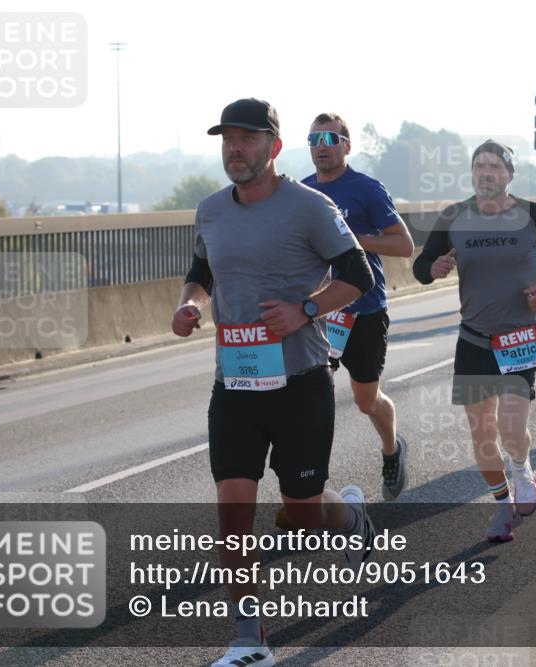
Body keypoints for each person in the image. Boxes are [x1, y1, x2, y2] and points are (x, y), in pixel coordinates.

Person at [171, 98, 378, 667]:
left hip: (300, 382)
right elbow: (201, 272)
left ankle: (352, 515)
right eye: (227, 140)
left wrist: (304, 310)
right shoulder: (210, 210)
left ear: (274, 147)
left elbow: (357, 275)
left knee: (304, 512)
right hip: (233, 385)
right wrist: (189, 305)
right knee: (233, 514)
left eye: (247, 139)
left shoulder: (309, 206)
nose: (235, 149)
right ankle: (249, 640)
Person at [412, 140, 536, 542]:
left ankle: (521, 465)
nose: (486, 172)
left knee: (511, 429)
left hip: (519, 338)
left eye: (494, 166)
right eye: (479, 165)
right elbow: (419, 267)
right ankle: (502, 505)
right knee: (482, 436)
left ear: (509, 174)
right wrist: (434, 266)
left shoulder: (532, 214)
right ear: (472, 173)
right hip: (474, 341)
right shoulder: (455, 216)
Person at [302, 112, 414, 501]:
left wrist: (353, 240)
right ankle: (310, 489)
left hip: (364, 310)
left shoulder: (366, 189)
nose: (321, 147)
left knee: (366, 400)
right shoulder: (302, 194)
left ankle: (391, 449)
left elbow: (403, 245)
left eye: (330, 140)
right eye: (314, 140)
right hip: (320, 313)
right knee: (311, 399)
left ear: (347, 146)